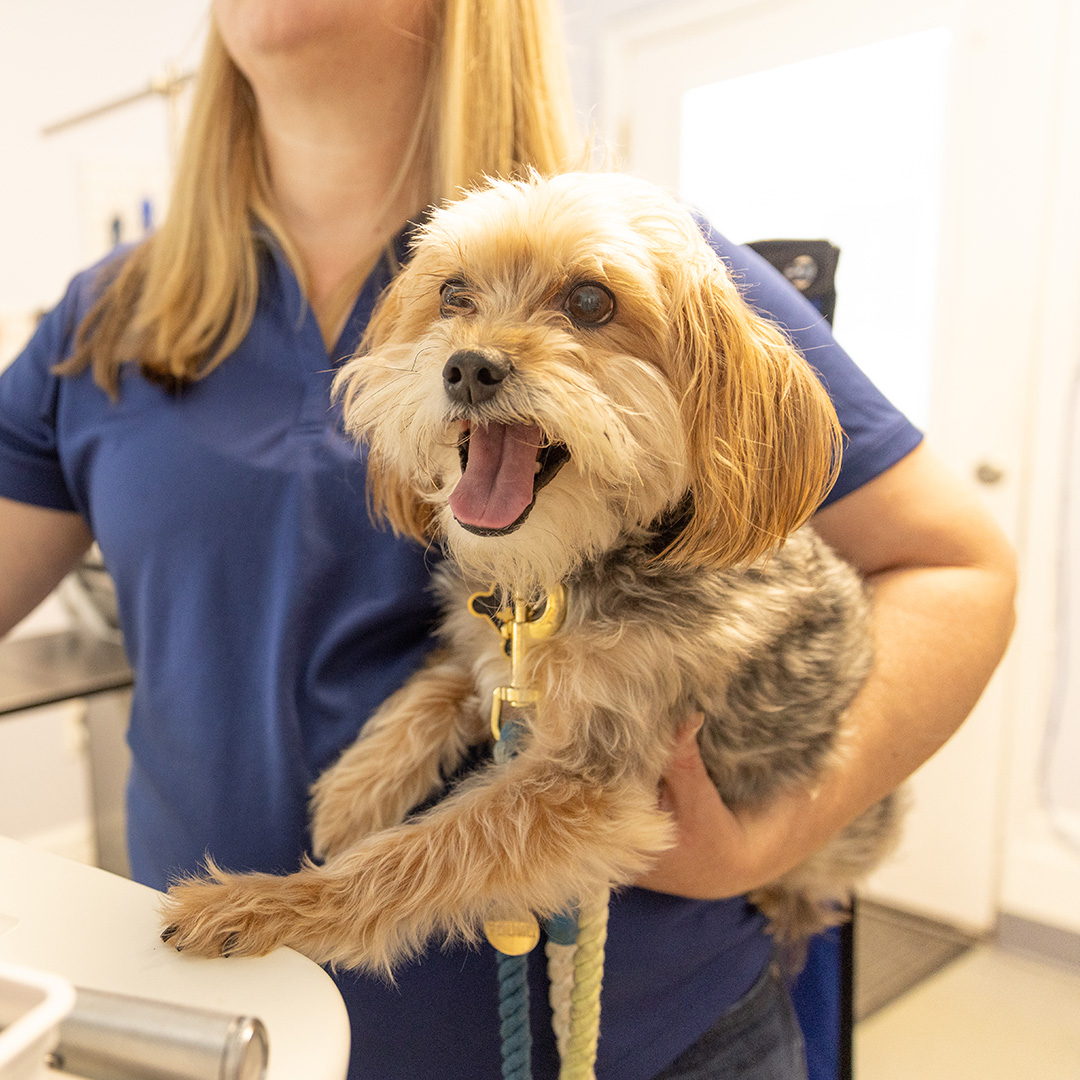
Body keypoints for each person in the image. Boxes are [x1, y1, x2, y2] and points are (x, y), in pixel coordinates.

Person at [0, 2, 1016, 1078]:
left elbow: (956, 566)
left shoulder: (662, 250)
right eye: (453, 299)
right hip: (205, 1019)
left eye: (587, 305)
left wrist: (777, 836)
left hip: (645, 1038)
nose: (481, 349)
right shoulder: (103, 316)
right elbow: (492, 638)